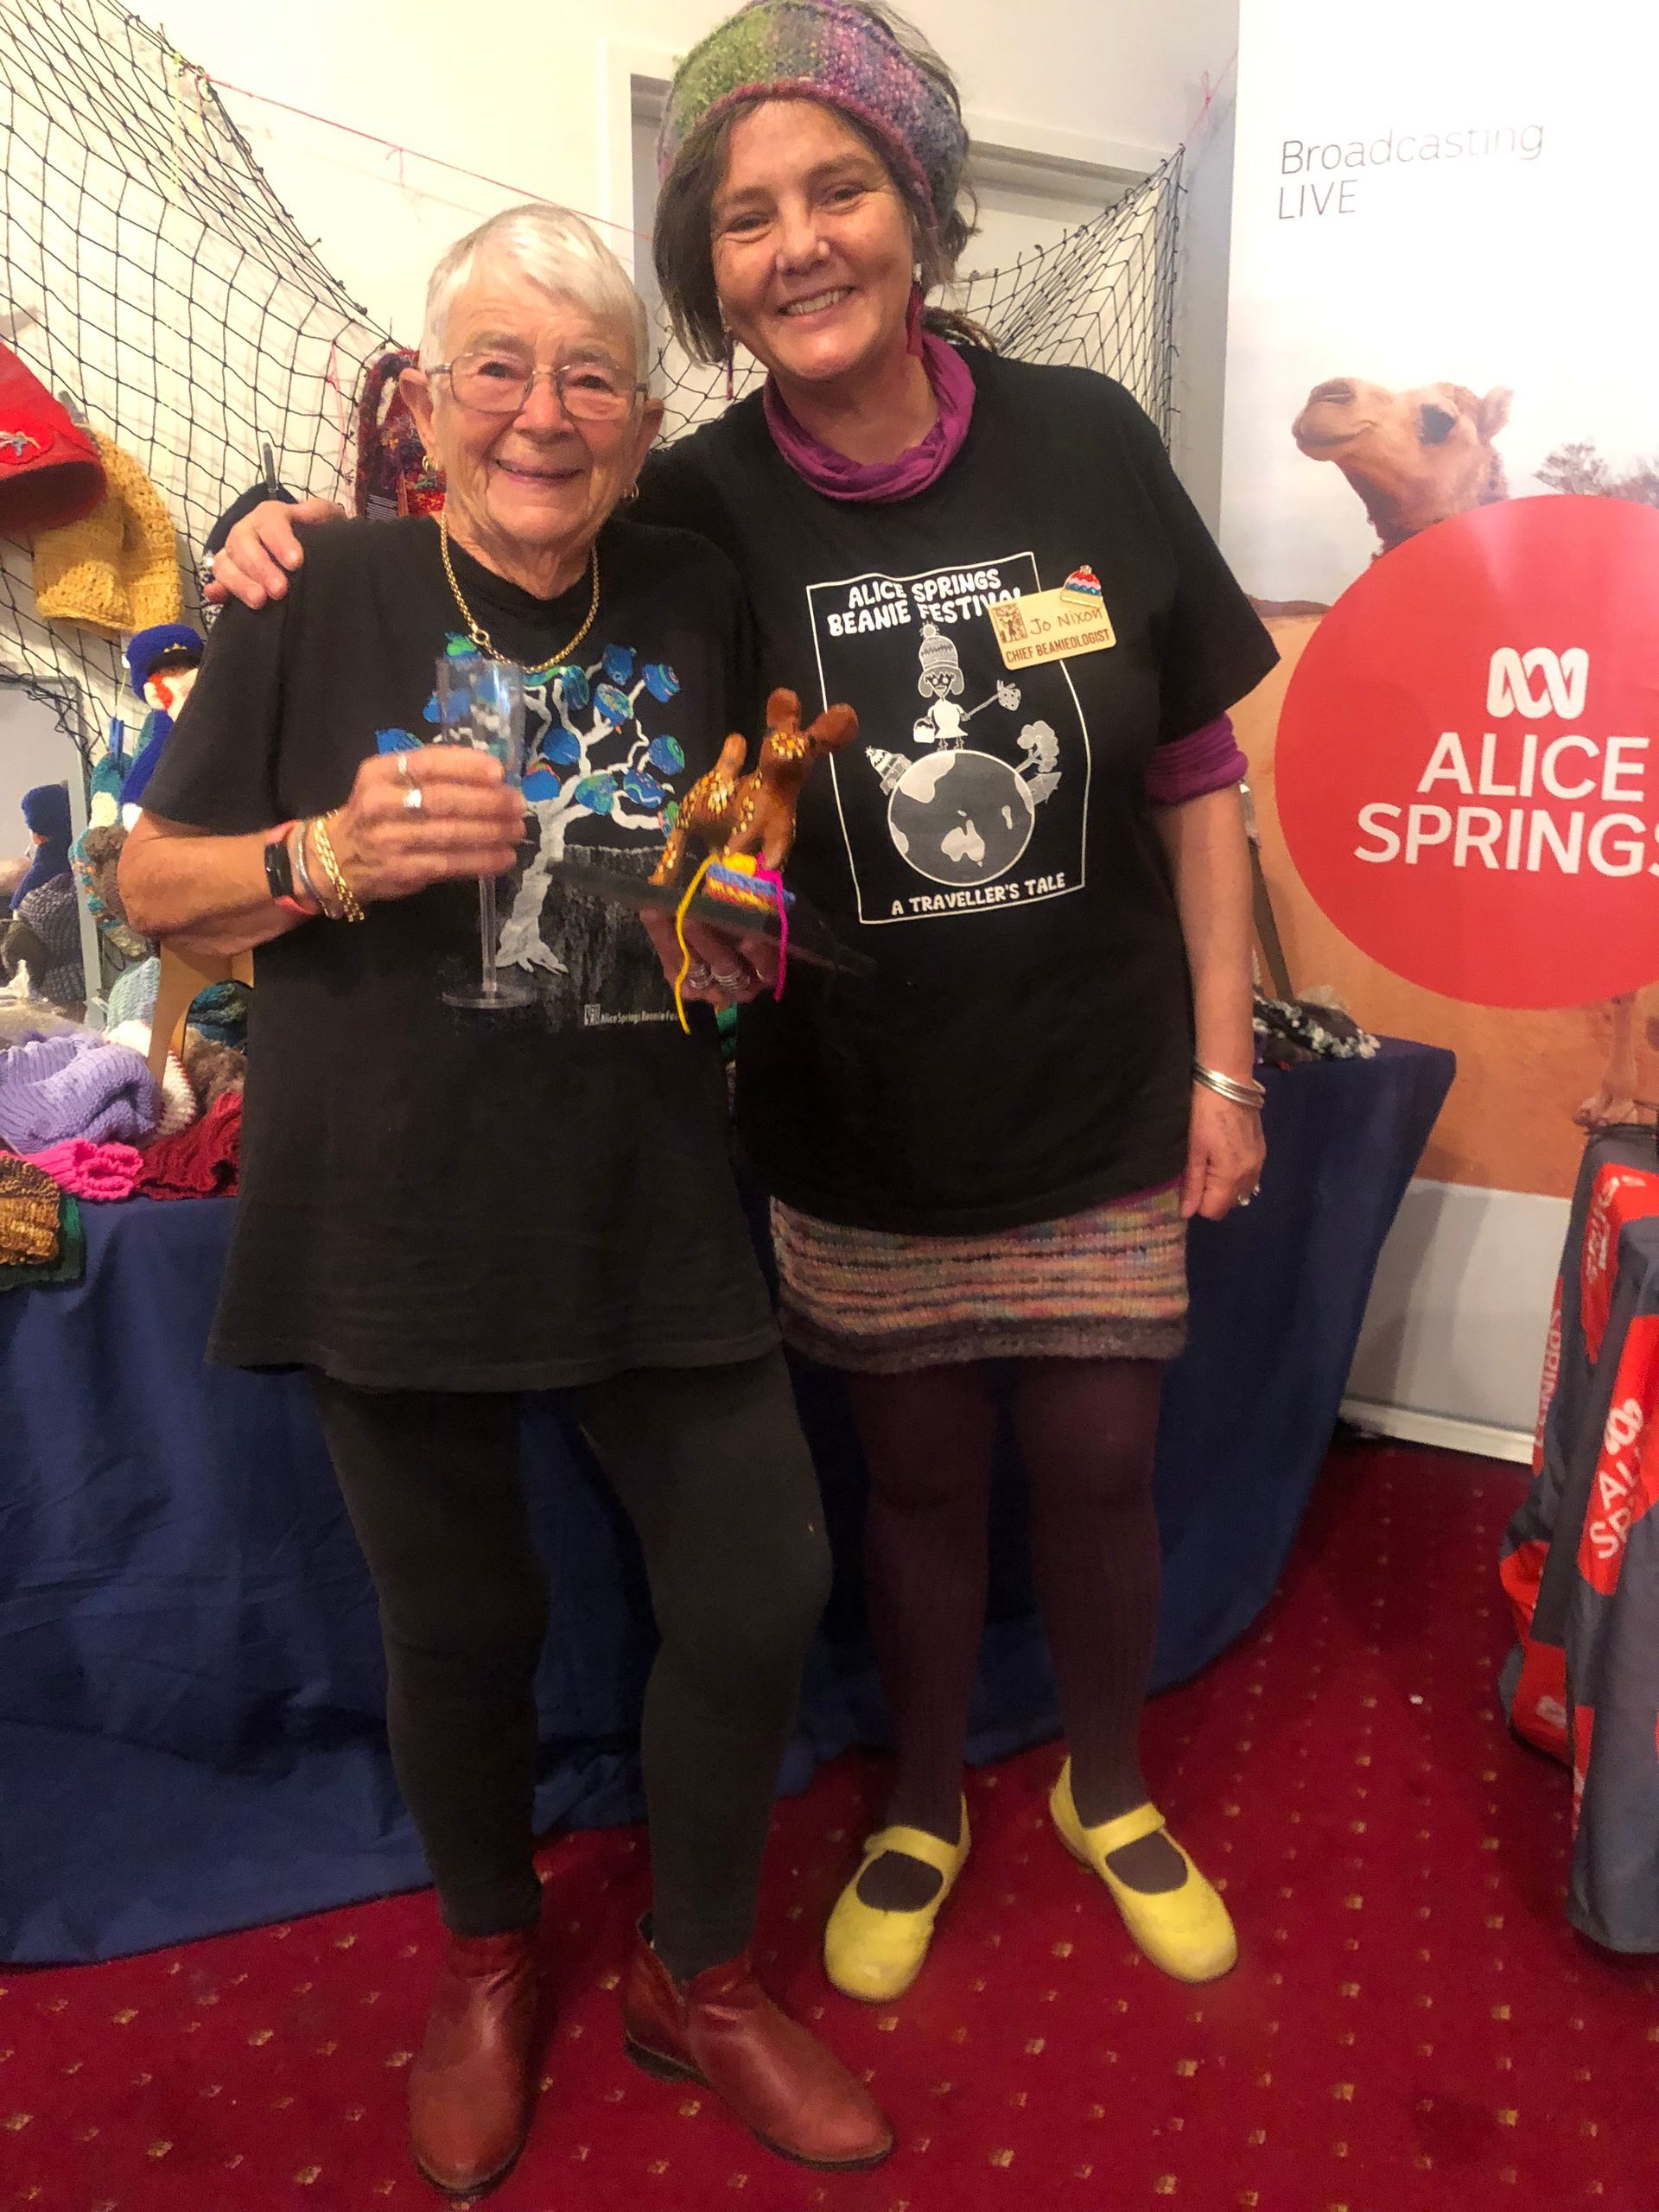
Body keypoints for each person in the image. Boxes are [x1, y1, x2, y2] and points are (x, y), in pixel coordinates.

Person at [209, 0, 1279, 2011]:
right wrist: (269, 534)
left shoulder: (1092, 439)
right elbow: (497, 533)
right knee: (921, 1489)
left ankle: (1114, 1787)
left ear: (919, 207)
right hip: (849, 1110)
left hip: (1104, 1084)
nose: (799, 243)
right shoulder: (687, 501)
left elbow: (1197, 775)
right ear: (710, 262)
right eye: (748, 213)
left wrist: (1228, 1060)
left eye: (841, 189)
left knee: (1109, 1469)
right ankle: (929, 1801)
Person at [120, 201, 892, 2199]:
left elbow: (745, 858)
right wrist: (323, 848)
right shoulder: (309, 592)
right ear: (429, 398)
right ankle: (485, 1957)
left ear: (641, 420)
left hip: (649, 1202)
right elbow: (148, 882)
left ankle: (695, 1969)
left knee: (760, 1577)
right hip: (392, 1213)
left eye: (592, 377)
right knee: (458, 1620)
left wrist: (746, 927)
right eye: (499, 368)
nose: (543, 414)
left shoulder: (700, 586)